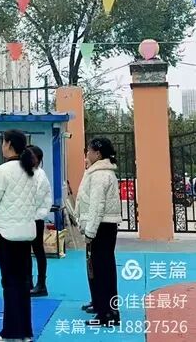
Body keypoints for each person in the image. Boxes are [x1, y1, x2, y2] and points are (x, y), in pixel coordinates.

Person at [0, 129, 43, 342]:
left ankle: (10, 332)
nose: (2, 146)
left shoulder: (2, 171)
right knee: (23, 282)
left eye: (3, 142)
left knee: (9, 282)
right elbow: (36, 201)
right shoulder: (31, 171)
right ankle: (25, 332)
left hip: (6, 233)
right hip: (26, 233)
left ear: (8, 144)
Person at [75, 137, 122, 327]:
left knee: (102, 270)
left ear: (98, 154)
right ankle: (100, 304)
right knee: (98, 267)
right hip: (101, 226)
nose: (87, 153)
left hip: (101, 226)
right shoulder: (96, 172)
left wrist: (90, 231)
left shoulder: (100, 175)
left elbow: (97, 206)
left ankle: (107, 313)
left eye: (89, 151)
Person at [28, 145, 52, 297]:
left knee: (37, 250)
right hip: (25, 218)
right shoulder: (25, 172)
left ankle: (41, 283)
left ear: (37, 159)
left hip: (36, 218)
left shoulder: (40, 175)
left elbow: (37, 198)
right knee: (25, 251)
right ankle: (28, 281)